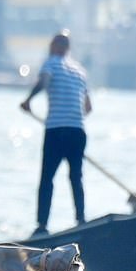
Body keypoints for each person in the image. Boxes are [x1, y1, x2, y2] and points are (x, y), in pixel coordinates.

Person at [20, 32, 92, 236]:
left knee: (47, 179)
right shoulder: (80, 71)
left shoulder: (51, 63)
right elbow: (88, 108)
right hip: (78, 131)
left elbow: (44, 82)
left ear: (54, 47)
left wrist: (28, 101)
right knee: (76, 177)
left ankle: (42, 226)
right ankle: (81, 219)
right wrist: (71, 115)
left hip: (56, 130)